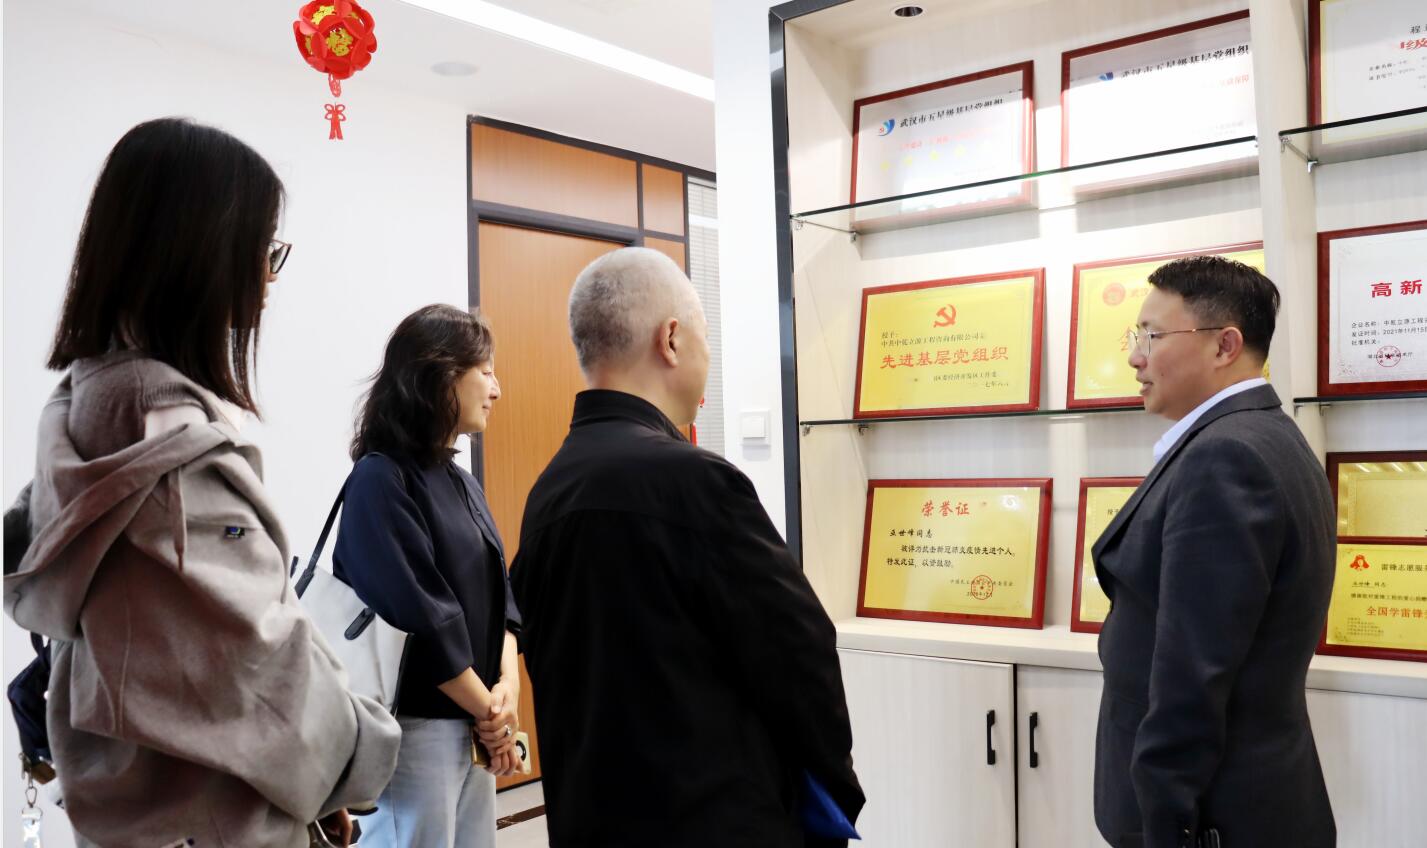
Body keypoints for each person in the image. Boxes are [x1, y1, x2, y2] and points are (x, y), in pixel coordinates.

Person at [1, 117, 399, 847]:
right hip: (214, 812)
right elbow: (254, 654)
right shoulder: (168, 440)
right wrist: (357, 756)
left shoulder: (88, 399)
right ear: (199, 252)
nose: (269, 276)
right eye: (263, 249)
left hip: (141, 803)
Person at [511, 247, 864, 847]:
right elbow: (801, 654)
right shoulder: (698, 481)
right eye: (705, 336)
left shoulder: (549, 490)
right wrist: (832, 796)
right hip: (718, 821)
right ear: (671, 338)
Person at [1091, 255, 1337, 848]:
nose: (1135, 357)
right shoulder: (1265, 434)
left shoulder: (1224, 457)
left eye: (1152, 336)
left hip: (1215, 816)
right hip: (1253, 797)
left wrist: (1166, 823)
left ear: (1225, 345)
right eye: (1135, 336)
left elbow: (1192, 677)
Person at [334, 304, 524, 848]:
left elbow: (501, 598)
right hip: (417, 730)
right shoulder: (380, 479)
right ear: (442, 376)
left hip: (473, 723)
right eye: (486, 371)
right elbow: (420, 619)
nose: (496, 389)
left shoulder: (460, 479)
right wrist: (492, 713)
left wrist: (506, 691)